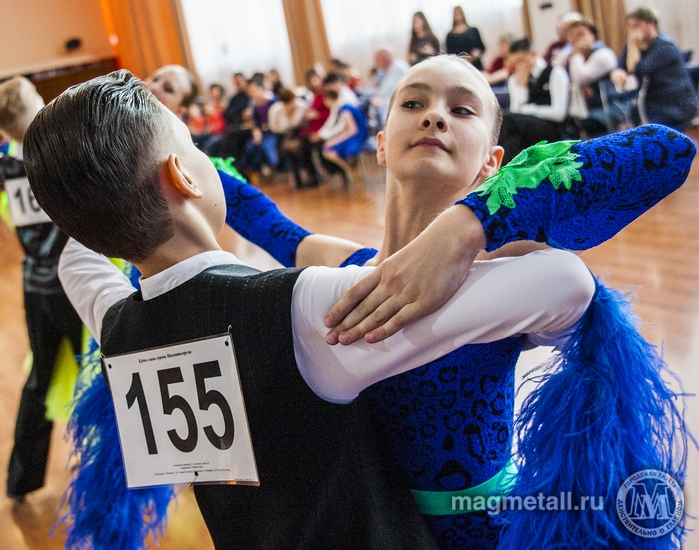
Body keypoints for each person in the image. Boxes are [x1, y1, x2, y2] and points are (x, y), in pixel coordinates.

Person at [22, 68, 612, 550]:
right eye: (195, 147)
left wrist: (96, 192)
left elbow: (80, 263)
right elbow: (565, 279)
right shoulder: (307, 307)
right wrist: (470, 228)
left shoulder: (118, 326)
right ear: (183, 174)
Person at [221, 55, 693, 549]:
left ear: (491, 163)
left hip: (486, 532)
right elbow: (255, 212)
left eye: (462, 110)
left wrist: (469, 224)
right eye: (413, 102)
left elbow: (666, 151)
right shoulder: (343, 265)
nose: (435, 116)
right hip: (369, 525)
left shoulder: (504, 265)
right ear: (380, 145)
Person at [0, 77, 83, 502]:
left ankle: (21, 479)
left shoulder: (6, 164)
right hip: (75, 283)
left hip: (36, 285)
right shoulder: (59, 155)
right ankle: (122, 473)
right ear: (34, 104)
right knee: (101, 373)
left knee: (39, 379)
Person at [610, 7, 698, 130]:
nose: (632, 31)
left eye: (637, 25)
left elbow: (636, 69)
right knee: (632, 118)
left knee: (649, 130)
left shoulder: (664, 46)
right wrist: (617, 74)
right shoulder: (634, 46)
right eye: (630, 26)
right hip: (652, 103)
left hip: (675, 104)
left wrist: (632, 43)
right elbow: (620, 67)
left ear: (652, 24)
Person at [499, 37, 569, 164]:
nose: (518, 66)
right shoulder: (514, 80)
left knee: (507, 119)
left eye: (521, 60)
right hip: (527, 129)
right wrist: (521, 86)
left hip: (552, 127)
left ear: (533, 54)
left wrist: (529, 109)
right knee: (512, 143)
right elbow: (516, 110)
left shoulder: (555, 73)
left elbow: (559, 114)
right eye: (515, 62)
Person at [564, 20, 618, 137]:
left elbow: (580, 78)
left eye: (581, 34)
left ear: (592, 35)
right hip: (584, 111)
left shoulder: (603, 54)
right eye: (572, 36)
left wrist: (577, 53)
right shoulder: (571, 57)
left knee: (577, 130)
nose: (576, 39)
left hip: (610, 108)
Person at [268, 87, 317, 188]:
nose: (292, 105)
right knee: (289, 149)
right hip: (283, 136)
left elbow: (307, 122)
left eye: (292, 101)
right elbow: (274, 128)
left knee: (299, 148)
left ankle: (311, 176)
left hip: (300, 135)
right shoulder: (275, 110)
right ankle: (299, 178)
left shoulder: (302, 106)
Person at [318, 88, 369, 182]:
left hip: (357, 136)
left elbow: (352, 130)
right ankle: (349, 170)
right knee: (327, 149)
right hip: (353, 134)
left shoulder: (345, 110)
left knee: (328, 150)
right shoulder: (340, 108)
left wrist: (334, 141)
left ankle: (349, 170)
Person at [360, 48, 409, 125]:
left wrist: (375, 95)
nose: (374, 63)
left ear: (384, 59)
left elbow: (387, 93)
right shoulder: (382, 71)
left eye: (376, 59)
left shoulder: (398, 69)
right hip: (382, 103)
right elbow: (368, 88)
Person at [445, 6, 485, 70]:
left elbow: (481, 46)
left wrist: (477, 53)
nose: (458, 17)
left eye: (459, 14)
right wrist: (462, 59)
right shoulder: (450, 36)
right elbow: (449, 53)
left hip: (475, 64)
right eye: (456, 14)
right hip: (460, 67)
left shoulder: (473, 30)